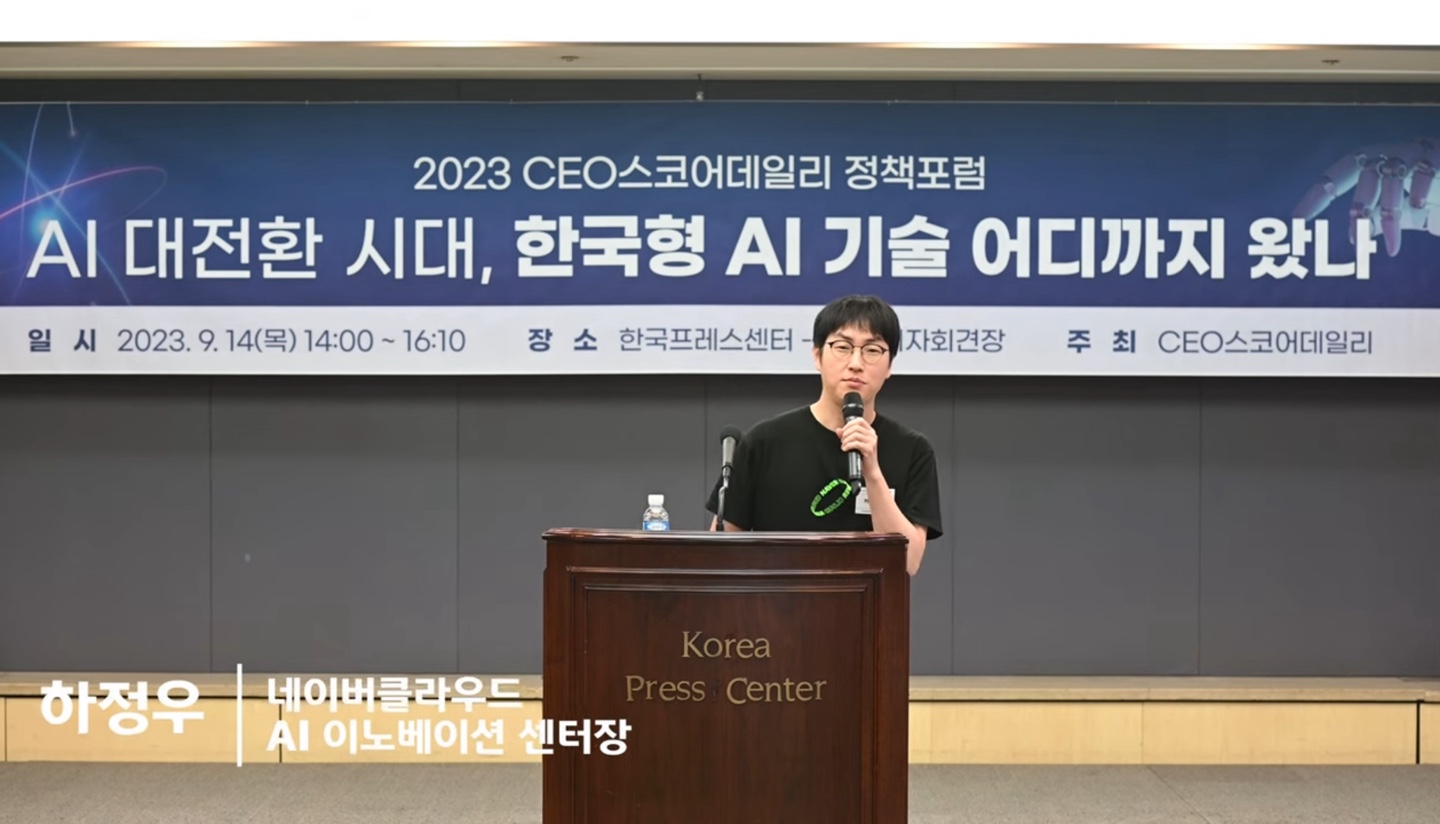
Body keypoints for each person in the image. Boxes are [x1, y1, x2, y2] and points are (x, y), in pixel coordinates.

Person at [705, 294, 942, 575]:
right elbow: (718, 556)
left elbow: (908, 563)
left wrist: (873, 473)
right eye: (843, 347)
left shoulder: (912, 450)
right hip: (775, 599)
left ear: (889, 365)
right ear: (817, 355)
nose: (856, 363)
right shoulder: (765, 441)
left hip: (870, 602)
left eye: (872, 350)